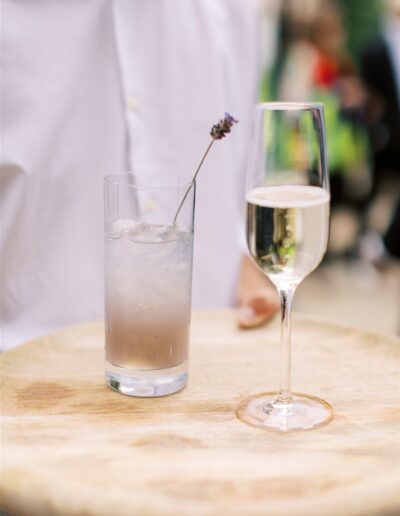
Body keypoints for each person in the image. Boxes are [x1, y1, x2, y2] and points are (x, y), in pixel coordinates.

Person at [0, 0, 278, 350]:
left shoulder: (234, 9)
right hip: (25, 373)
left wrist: (244, 266)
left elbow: (231, 179)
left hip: (210, 359)